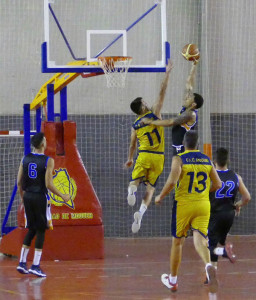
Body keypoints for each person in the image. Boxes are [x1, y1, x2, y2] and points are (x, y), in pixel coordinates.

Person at [155, 130, 222, 293]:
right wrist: (205, 191)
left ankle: (173, 281)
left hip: (184, 205)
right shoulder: (206, 160)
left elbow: (172, 181)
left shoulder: (179, 159)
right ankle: (208, 266)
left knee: (177, 242)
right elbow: (218, 184)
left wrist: (160, 196)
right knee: (200, 239)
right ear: (197, 144)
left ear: (184, 143)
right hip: (203, 204)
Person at [124, 60, 173, 233]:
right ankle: (141, 213)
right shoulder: (155, 114)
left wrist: (130, 159)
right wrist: (167, 73)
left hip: (143, 154)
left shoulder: (135, 125)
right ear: (143, 106)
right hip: (159, 157)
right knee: (150, 189)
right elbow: (162, 92)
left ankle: (131, 190)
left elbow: (132, 145)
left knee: (136, 180)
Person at [16, 132, 70, 277]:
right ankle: (35, 265)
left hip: (27, 196)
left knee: (31, 229)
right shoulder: (48, 160)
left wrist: (22, 197)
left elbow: (19, 182)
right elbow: (48, 184)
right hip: (40, 197)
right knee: (41, 230)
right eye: (45, 140)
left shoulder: (25, 159)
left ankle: (22, 262)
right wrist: (63, 196)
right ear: (42, 144)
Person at [204, 147, 251, 283]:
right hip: (229, 216)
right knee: (216, 243)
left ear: (214, 161)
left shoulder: (210, 177)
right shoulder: (236, 176)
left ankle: (222, 255)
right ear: (228, 161)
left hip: (214, 215)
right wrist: (238, 205)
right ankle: (210, 276)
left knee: (207, 247)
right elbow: (247, 197)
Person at [141, 61, 204, 156]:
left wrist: (150, 122)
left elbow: (170, 122)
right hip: (178, 147)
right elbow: (189, 84)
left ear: (194, 104)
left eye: (189, 98)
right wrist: (194, 65)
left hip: (184, 151)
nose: (186, 97)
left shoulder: (190, 114)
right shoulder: (187, 108)